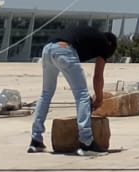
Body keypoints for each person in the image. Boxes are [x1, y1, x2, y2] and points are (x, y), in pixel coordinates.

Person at [28, 26, 118, 154]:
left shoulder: (91, 36)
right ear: (110, 45)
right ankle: (86, 143)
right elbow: (98, 77)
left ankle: (35, 140)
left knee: (46, 94)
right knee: (81, 95)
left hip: (47, 49)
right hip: (64, 49)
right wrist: (99, 99)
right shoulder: (104, 44)